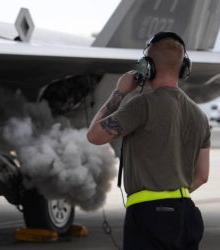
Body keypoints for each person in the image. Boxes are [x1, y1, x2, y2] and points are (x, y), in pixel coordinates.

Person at [87, 32, 210, 250]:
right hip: (187, 215)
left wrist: (119, 93)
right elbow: (202, 176)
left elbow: (94, 135)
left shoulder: (142, 104)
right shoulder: (199, 115)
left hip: (150, 216)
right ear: (184, 67)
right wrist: (171, 195)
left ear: (147, 67)